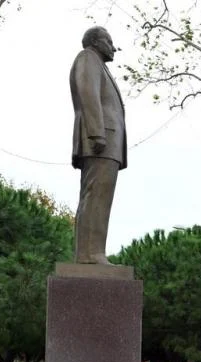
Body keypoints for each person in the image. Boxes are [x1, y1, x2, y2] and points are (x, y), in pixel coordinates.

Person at [70, 26, 127, 265]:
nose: (114, 47)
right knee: (96, 196)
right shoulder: (87, 58)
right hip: (100, 141)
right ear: (95, 42)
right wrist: (96, 133)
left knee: (100, 197)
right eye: (109, 41)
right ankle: (90, 254)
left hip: (108, 142)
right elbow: (88, 93)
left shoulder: (99, 64)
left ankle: (94, 251)